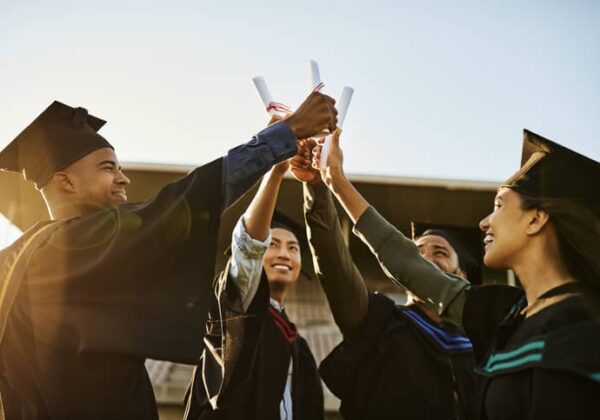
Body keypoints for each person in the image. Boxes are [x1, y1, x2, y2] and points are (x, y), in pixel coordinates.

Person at [0, 95, 336, 419]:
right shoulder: (72, 245)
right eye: (108, 168)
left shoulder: (16, 261)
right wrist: (285, 133)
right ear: (65, 182)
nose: (123, 178)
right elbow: (185, 201)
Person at [314, 129, 600, 419]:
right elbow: (407, 263)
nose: (484, 222)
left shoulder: (584, 326)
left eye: (499, 205)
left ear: (536, 219)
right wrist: (335, 181)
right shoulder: (504, 313)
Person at [289, 140, 478, 419]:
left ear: (461, 275)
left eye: (439, 252)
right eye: (416, 252)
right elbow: (333, 263)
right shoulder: (378, 321)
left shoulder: (481, 345)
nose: (424, 259)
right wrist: (317, 189)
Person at [185, 149, 323, 420]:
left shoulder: (299, 346)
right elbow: (248, 250)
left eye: (293, 248)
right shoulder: (239, 315)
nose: (284, 253)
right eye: (273, 245)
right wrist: (275, 174)